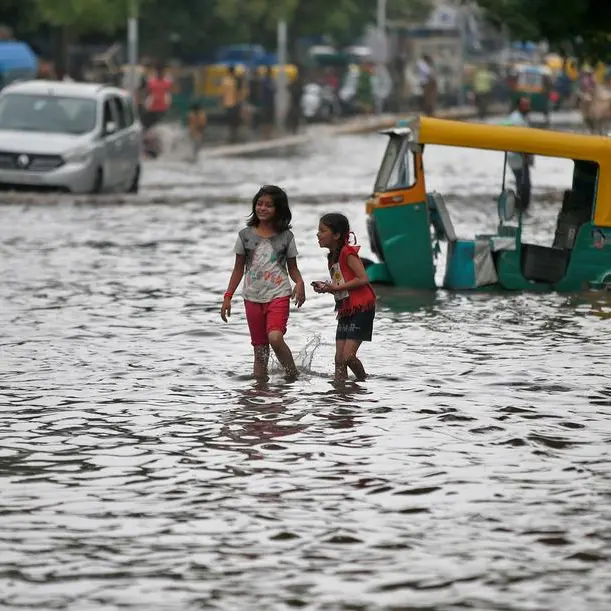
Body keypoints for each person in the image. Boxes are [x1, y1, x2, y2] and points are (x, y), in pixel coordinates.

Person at [221, 185, 306, 380]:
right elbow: (238, 269)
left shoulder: (286, 236)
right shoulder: (245, 235)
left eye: (269, 205)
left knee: (275, 337)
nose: (262, 208)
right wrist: (228, 297)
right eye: (259, 204)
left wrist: (299, 283)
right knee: (260, 352)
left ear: (279, 210)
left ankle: (293, 376)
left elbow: (292, 268)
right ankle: (260, 392)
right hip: (252, 296)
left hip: (279, 293)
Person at [313, 213, 376, 382]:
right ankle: (341, 392)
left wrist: (335, 287)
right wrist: (328, 288)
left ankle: (364, 381)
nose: (317, 234)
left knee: (348, 356)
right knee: (339, 359)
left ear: (336, 235)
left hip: (362, 307)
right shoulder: (332, 257)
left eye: (322, 230)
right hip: (346, 308)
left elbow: (363, 278)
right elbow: (342, 287)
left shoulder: (347, 252)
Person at [504, 96, 533, 213]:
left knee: (523, 184)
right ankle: (520, 208)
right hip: (518, 158)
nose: (528, 107)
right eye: (525, 105)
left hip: (520, 158)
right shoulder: (516, 120)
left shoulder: (521, 118)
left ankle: (520, 207)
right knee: (524, 185)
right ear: (519, 106)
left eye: (528, 104)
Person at [221, 65, 240, 143]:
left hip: (229, 102)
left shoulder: (225, 80)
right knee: (233, 118)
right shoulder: (232, 80)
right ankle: (233, 133)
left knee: (231, 118)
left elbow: (222, 92)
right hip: (232, 102)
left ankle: (232, 132)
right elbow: (235, 92)